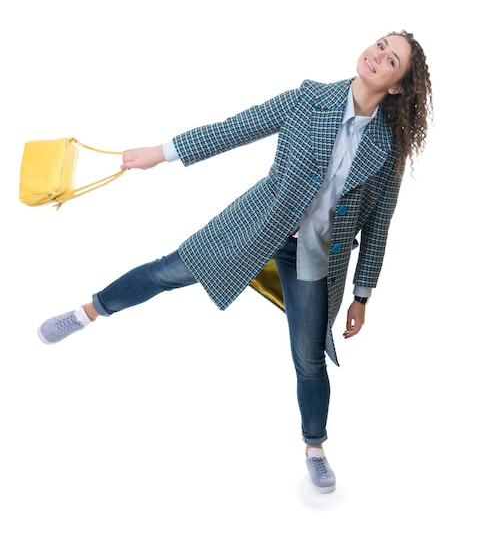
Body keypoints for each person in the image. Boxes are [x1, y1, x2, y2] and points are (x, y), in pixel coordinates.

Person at [38, 31, 433, 493]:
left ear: (398, 86)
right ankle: (88, 313)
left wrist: (362, 295)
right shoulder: (309, 99)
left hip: (317, 258)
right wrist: (160, 154)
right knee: (169, 270)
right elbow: (237, 127)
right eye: (379, 44)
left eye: (391, 59)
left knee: (308, 359)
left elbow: (381, 222)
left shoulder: (389, 149)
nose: (377, 55)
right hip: (257, 225)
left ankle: (315, 446)